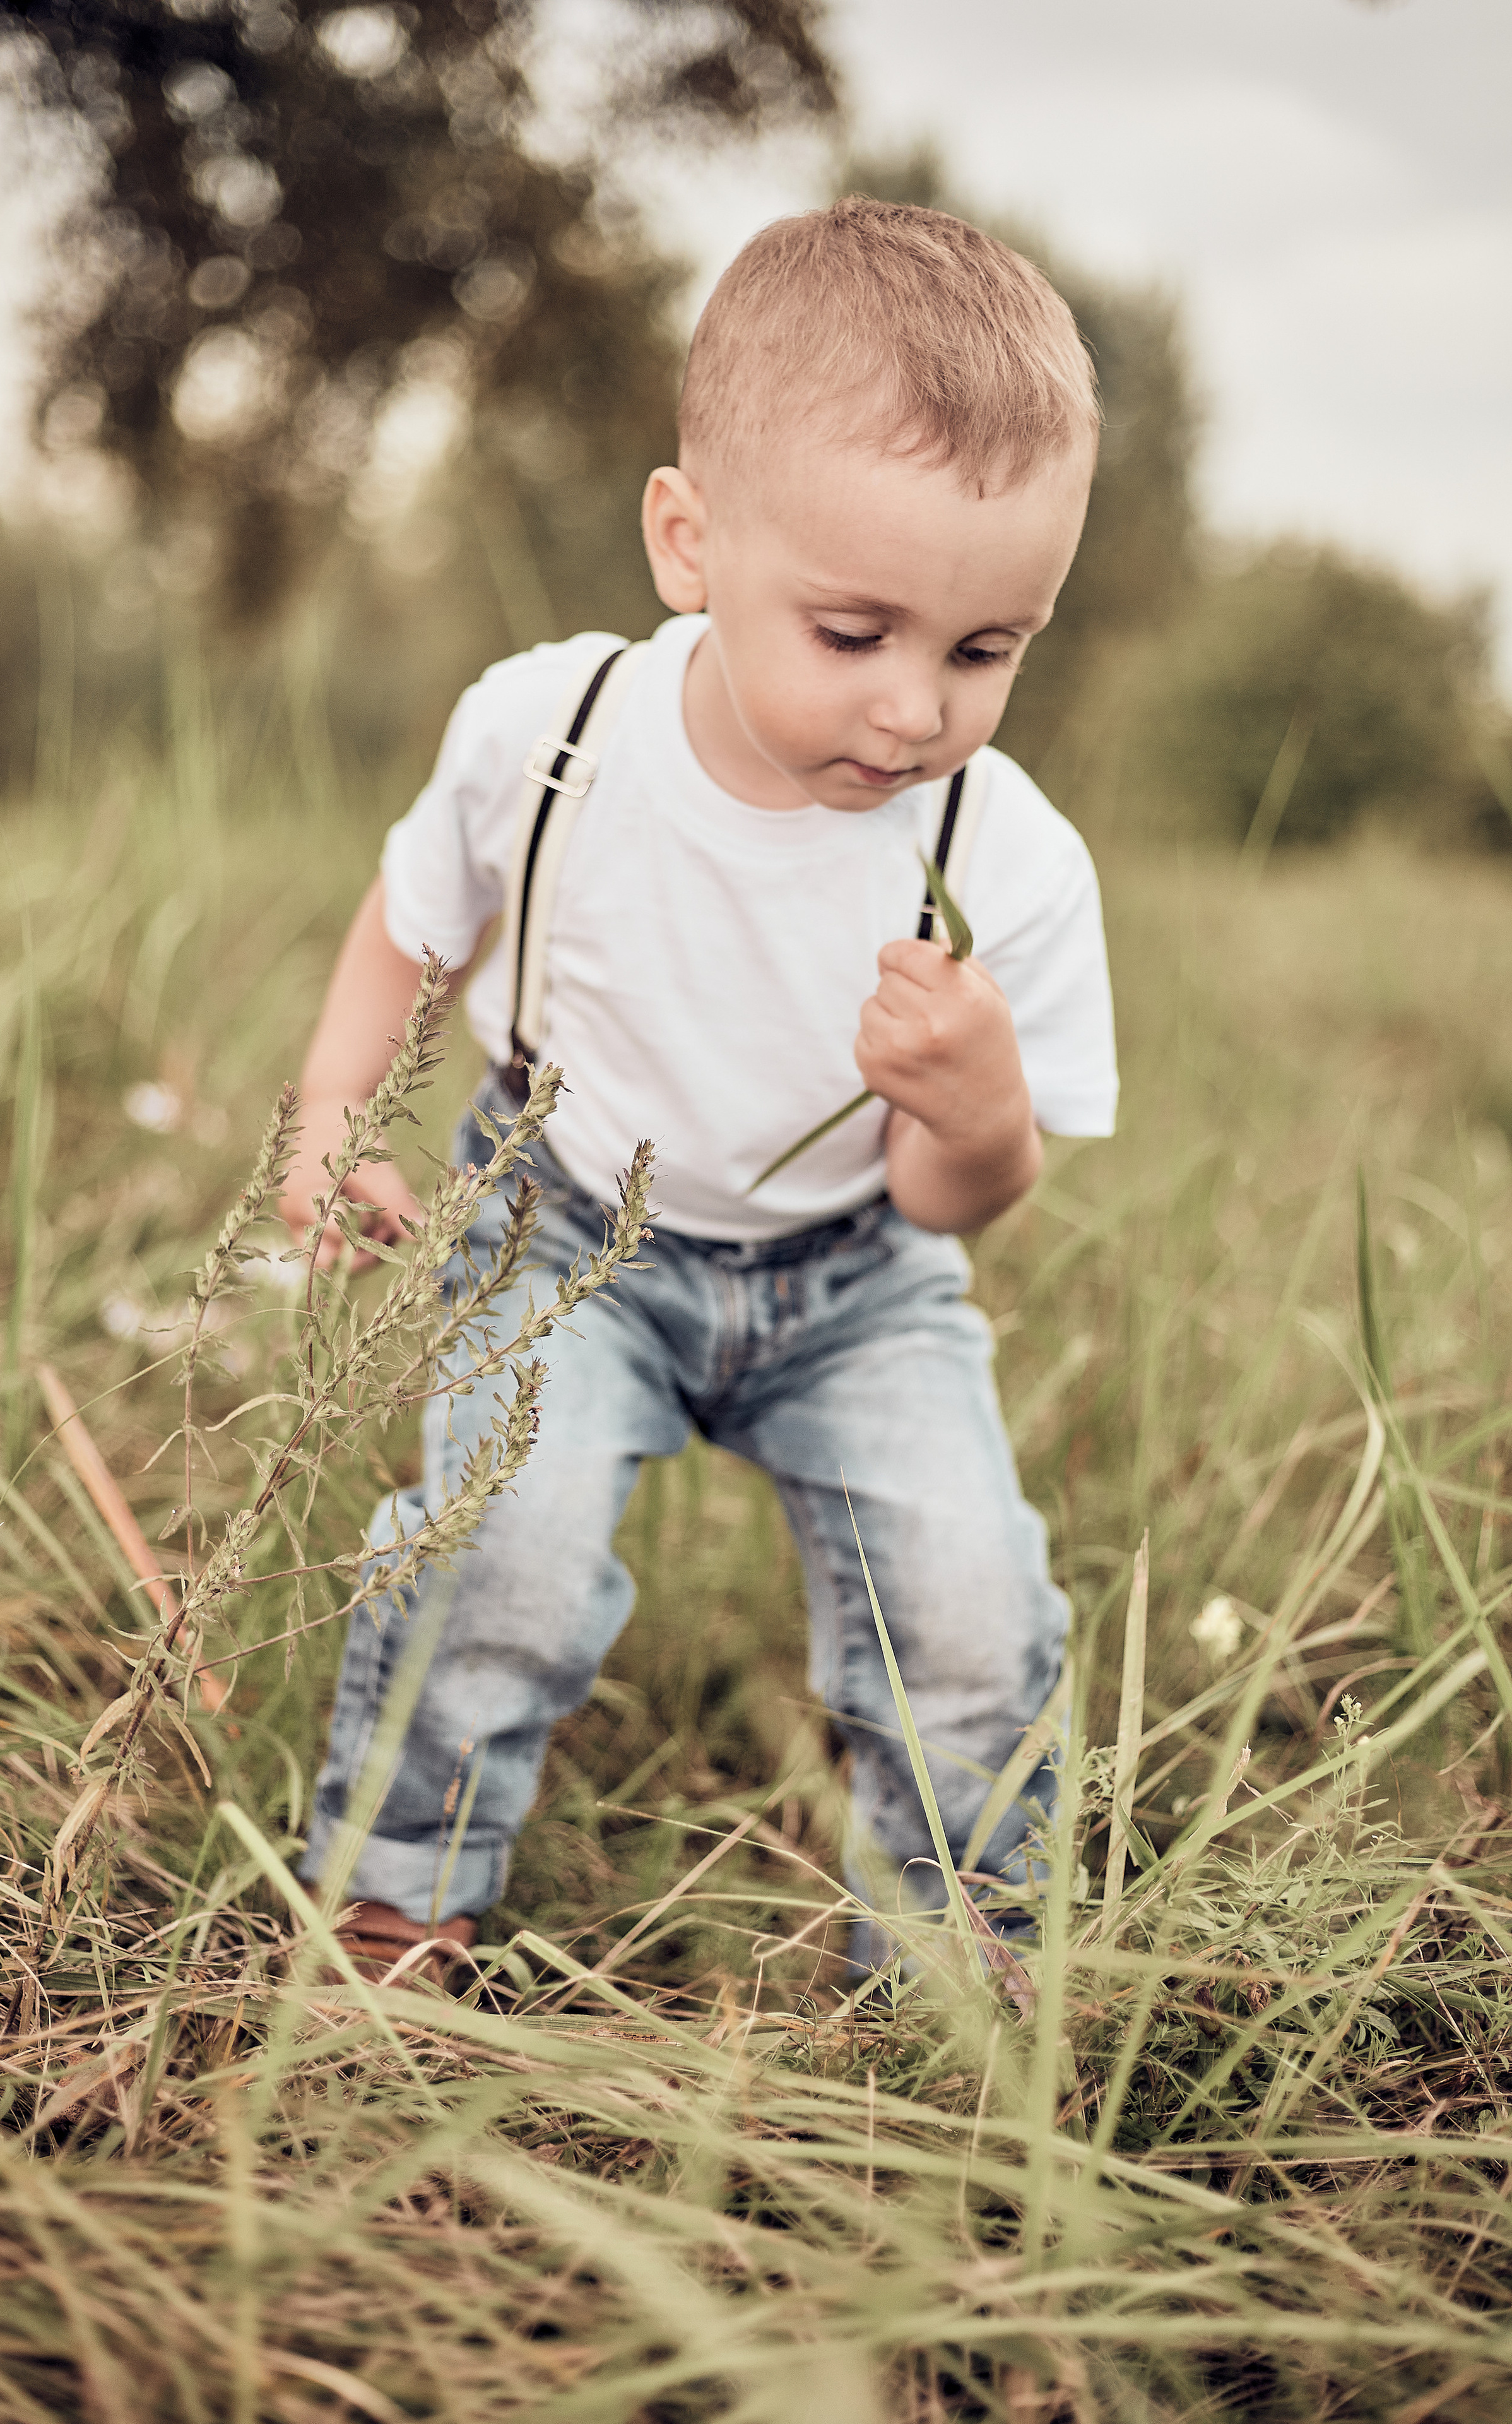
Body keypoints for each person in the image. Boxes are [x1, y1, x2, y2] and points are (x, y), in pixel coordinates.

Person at [285, 198, 1118, 1978]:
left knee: (969, 1607)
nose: (914, 712)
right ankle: (397, 1896)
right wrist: (334, 1115)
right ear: (691, 542)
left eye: (985, 651)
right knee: (504, 1552)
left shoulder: (1009, 861)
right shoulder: (553, 735)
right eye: (856, 633)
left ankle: (964, 1965)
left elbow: (952, 1203)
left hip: (855, 1280)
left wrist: (977, 1109)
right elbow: (412, 923)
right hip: (566, 1227)